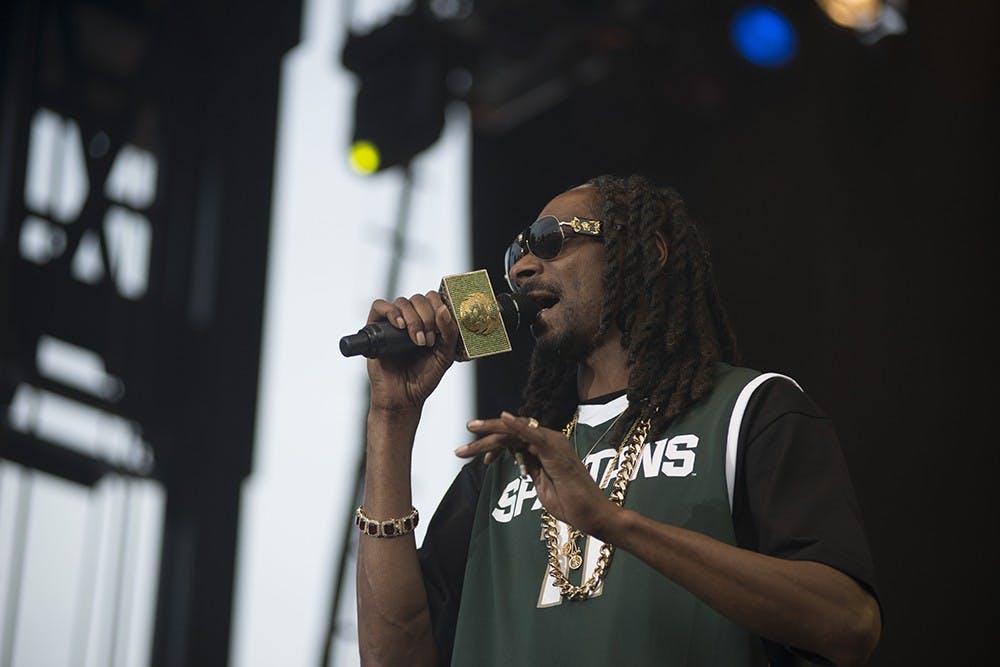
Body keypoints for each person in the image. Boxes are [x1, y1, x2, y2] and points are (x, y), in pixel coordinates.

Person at [355, 174, 881, 666]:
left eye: (551, 240)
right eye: (517, 252)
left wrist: (612, 522)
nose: (521, 268)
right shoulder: (505, 462)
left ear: (646, 254)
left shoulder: (749, 410)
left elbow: (849, 623)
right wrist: (391, 418)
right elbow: (393, 657)